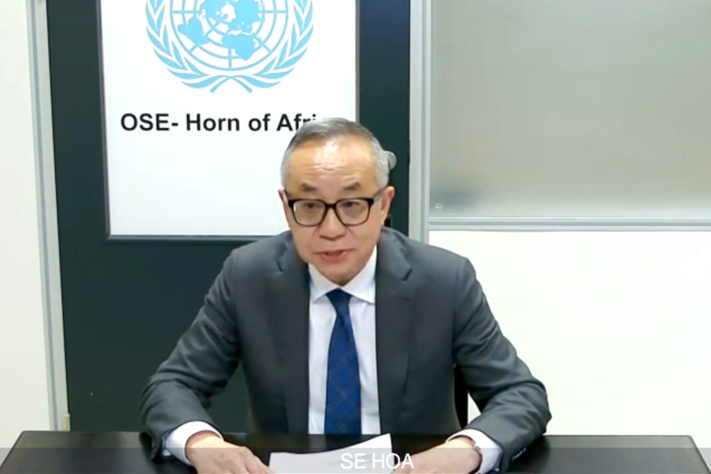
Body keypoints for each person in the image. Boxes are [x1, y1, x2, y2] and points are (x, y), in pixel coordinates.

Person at [139, 118, 551, 474]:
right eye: (309, 206)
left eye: (352, 205)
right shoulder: (249, 277)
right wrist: (204, 444)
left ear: (383, 205)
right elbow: (174, 385)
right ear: (286, 206)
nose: (331, 229)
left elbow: (520, 394)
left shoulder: (444, 280)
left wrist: (464, 451)